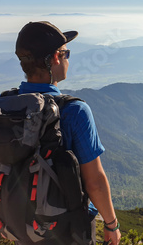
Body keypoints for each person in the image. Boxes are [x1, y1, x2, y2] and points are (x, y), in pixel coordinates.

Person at [14, 21, 121, 244]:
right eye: (66, 53)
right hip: (66, 230)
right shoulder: (74, 111)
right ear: (54, 58)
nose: (67, 60)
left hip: (21, 227)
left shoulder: (1, 108)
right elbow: (95, 182)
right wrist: (111, 224)